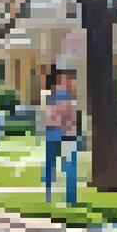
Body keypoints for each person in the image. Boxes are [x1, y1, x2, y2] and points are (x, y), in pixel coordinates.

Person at [43, 69, 79, 205]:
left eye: (71, 79)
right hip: (54, 132)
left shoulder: (72, 97)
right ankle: (48, 194)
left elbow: (72, 117)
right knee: (51, 165)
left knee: (70, 166)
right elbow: (51, 116)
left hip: (68, 133)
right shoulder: (52, 95)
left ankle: (71, 198)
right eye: (67, 79)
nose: (70, 82)